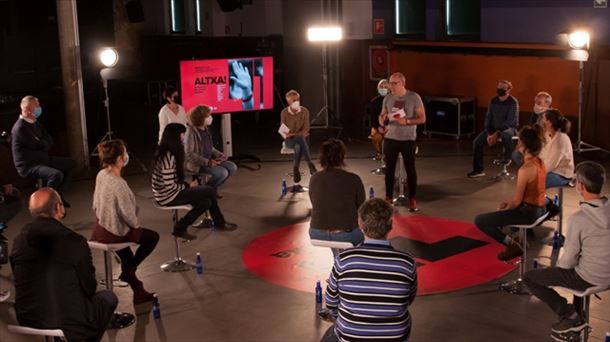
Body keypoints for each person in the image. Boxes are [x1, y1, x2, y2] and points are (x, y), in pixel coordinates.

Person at [10, 188, 117, 341]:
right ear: (58, 208)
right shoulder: (75, 241)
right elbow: (89, 287)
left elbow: (18, 279)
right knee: (108, 297)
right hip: (68, 321)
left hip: (29, 317)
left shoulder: (18, 241)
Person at [523, 161, 609, 340]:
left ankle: (569, 317)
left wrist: (557, 273)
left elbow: (568, 261)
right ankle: (576, 318)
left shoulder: (579, 219)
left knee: (530, 278)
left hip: (591, 277)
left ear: (580, 186)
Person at [321, 198, 417, 342]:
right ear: (390, 225)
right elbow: (408, 300)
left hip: (350, 337)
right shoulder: (407, 262)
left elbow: (330, 303)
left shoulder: (343, 260)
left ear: (360, 224)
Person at [91, 139, 159, 305]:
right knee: (152, 237)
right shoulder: (119, 184)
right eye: (125, 153)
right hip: (116, 232)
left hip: (102, 227)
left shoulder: (101, 175)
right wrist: (136, 223)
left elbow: (95, 204)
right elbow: (128, 216)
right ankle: (129, 271)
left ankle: (137, 289)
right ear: (120, 159)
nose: (127, 156)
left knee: (127, 255)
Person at [474, 125, 547, 261]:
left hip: (529, 213)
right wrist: (509, 204)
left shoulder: (525, 169)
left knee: (480, 220)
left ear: (524, 145)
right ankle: (515, 238)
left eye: (519, 142)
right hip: (540, 208)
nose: (517, 145)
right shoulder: (540, 162)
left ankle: (512, 244)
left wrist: (507, 207)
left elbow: (517, 201)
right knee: (502, 214)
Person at [152, 123, 237, 240]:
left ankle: (180, 228)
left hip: (171, 192)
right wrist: (188, 186)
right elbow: (168, 185)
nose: (184, 137)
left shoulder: (170, 152)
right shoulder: (168, 156)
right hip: (167, 195)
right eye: (182, 134)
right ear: (175, 136)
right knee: (209, 190)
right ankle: (219, 223)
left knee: (206, 202)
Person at [11, 95, 75, 206]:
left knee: (71, 164)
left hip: (42, 159)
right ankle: (45, 201)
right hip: (30, 165)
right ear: (28, 109)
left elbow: (48, 139)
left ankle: (57, 194)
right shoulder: (20, 128)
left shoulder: (35, 123)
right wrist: (43, 143)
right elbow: (37, 145)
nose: (39, 108)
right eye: (37, 106)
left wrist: (43, 143)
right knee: (56, 175)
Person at [308, 139, 365, 256]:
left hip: (316, 232)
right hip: (346, 234)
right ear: (342, 157)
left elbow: (314, 202)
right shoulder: (353, 179)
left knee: (338, 245)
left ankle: (339, 262)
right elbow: (362, 208)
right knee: (367, 234)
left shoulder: (314, 178)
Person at [378, 72, 426, 211]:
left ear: (402, 83)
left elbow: (422, 118)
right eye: (390, 83)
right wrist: (382, 120)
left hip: (407, 139)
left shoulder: (414, 97)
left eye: (394, 83)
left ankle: (412, 198)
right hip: (390, 138)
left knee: (410, 169)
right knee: (389, 170)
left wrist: (407, 121)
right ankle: (388, 197)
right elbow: (382, 115)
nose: (391, 86)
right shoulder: (387, 98)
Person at [468, 80, 519, 178]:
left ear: (508, 90)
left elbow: (510, 121)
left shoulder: (513, 102)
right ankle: (478, 170)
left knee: (506, 134)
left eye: (503, 88)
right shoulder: (493, 100)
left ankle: (508, 157)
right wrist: (489, 132)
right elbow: (488, 117)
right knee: (476, 142)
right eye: (499, 87)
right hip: (493, 128)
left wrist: (497, 133)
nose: (500, 89)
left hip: (509, 128)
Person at [185, 105, 237, 192]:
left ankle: (212, 187)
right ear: (200, 118)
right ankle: (207, 190)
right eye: (207, 116)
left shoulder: (206, 128)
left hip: (210, 160)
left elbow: (210, 147)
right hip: (198, 164)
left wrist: (220, 154)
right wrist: (207, 162)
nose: (210, 117)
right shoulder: (190, 131)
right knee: (222, 173)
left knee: (232, 167)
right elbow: (189, 154)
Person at [280, 89, 317, 183]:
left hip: (303, 140)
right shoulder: (284, 113)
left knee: (298, 145)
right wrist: (296, 134)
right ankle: (310, 164)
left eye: (297, 100)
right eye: (293, 100)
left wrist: (292, 133)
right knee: (299, 140)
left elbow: (306, 129)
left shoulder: (305, 111)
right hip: (289, 140)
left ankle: (295, 168)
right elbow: (284, 132)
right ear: (288, 102)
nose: (296, 102)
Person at [512, 91, 552, 167]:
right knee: (516, 154)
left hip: (545, 144)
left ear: (547, 104)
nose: (536, 105)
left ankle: (532, 172)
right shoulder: (535, 114)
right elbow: (530, 128)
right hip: (533, 142)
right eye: (535, 102)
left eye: (539, 103)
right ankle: (528, 171)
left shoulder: (552, 116)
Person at [539, 109, 574, 188]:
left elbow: (551, 165)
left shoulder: (560, 139)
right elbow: (541, 155)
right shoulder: (547, 135)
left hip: (561, 175)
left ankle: (546, 201)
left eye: (543, 119)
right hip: (549, 170)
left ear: (549, 123)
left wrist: (535, 172)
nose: (541, 121)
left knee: (536, 181)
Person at [365, 79, 390, 160]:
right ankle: (379, 153)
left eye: (385, 87)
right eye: (381, 87)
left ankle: (389, 154)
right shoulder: (374, 102)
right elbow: (373, 118)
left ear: (389, 88)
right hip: (377, 126)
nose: (383, 88)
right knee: (376, 136)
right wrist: (378, 127)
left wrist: (387, 127)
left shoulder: (393, 100)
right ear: (378, 88)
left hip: (390, 126)